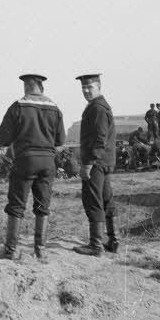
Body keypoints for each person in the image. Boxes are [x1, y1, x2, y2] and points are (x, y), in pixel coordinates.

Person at [0, 73, 66, 260]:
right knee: (42, 205)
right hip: (47, 163)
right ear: (41, 87)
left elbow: (3, 139)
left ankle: (10, 251)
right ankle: (40, 250)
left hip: (25, 162)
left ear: (26, 87)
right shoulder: (55, 108)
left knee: (17, 205)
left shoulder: (18, 106)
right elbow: (60, 142)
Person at [73, 73, 117, 256]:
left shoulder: (97, 108)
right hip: (104, 161)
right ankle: (112, 241)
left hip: (96, 163)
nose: (86, 91)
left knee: (93, 200)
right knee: (106, 200)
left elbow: (100, 139)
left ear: (99, 87)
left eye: (89, 87)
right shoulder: (100, 105)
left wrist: (88, 164)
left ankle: (96, 245)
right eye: (83, 87)